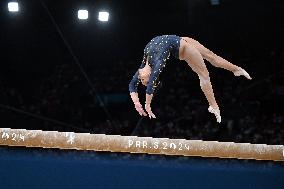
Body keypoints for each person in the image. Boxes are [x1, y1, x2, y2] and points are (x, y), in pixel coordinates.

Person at [129, 35, 252, 123]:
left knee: (212, 57)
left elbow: (132, 85)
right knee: (204, 75)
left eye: (145, 81)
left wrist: (145, 104)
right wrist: (139, 103)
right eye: (146, 81)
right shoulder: (157, 64)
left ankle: (236, 69)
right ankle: (214, 106)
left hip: (182, 40)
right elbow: (145, 86)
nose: (145, 80)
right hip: (184, 49)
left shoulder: (143, 66)